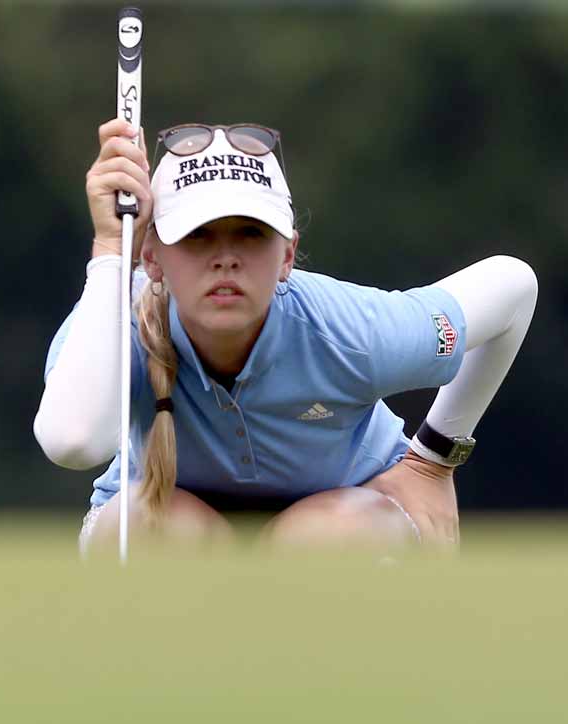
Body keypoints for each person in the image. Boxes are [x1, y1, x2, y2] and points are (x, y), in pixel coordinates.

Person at [36, 119, 537, 554]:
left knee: (321, 541)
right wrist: (109, 248)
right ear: (151, 257)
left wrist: (432, 462)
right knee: (153, 532)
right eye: (197, 235)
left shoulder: (351, 330)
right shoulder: (113, 313)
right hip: (174, 529)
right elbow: (72, 442)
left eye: (250, 233)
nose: (225, 257)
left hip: (343, 519)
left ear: (288, 256)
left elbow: (512, 286)